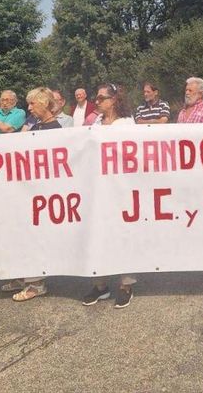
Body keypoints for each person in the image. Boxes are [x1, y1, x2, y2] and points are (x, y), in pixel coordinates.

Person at [3, 88, 64, 302]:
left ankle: (36, 283)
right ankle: (26, 276)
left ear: (44, 104)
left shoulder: (54, 128)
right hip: (30, 192)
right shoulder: (34, 125)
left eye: (32, 104)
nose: (29, 108)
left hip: (43, 194)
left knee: (36, 237)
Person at [82, 83, 137, 308]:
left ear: (113, 100)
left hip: (121, 187)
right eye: (96, 98)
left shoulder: (126, 123)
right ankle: (100, 285)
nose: (97, 101)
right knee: (99, 236)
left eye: (101, 98)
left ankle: (126, 285)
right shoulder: (95, 123)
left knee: (122, 235)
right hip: (98, 188)